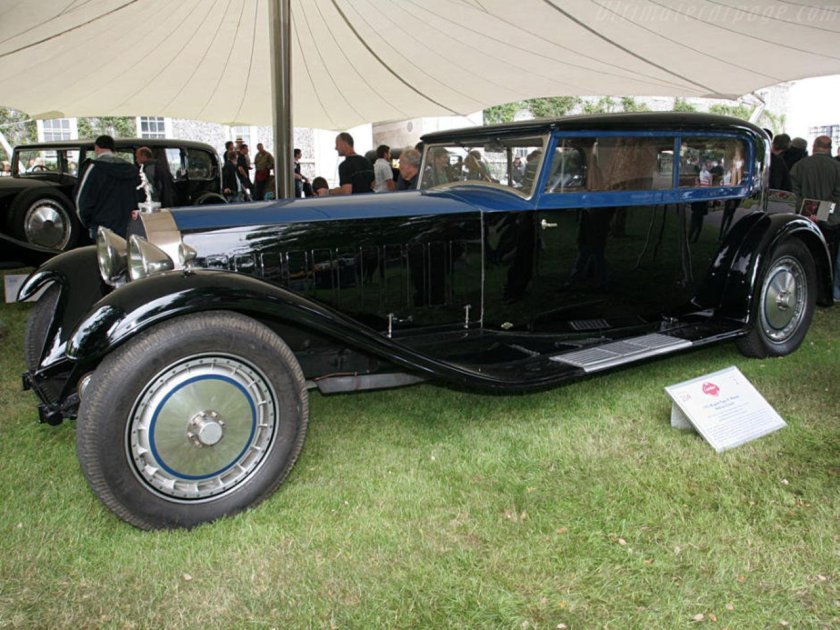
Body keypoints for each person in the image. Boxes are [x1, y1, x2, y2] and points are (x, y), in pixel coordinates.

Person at [789, 135, 840, 299]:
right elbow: (838, 195)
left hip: (804, 218)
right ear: (830, 147)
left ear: (814, 146)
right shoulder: (837, 167)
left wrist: (805, 210)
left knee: (803, 255)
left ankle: (800, 290)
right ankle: (824, 295)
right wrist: (823, 213)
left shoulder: (800, 165)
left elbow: (793, 192)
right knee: (827, 258)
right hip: (830, 221)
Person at [75, 134, 139, 238]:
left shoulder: (94, 169)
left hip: (102, 229)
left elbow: (82, 201)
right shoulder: (131, 170)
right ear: (113, 149)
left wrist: (89, 224)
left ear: (96, 148)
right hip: (129, 228)